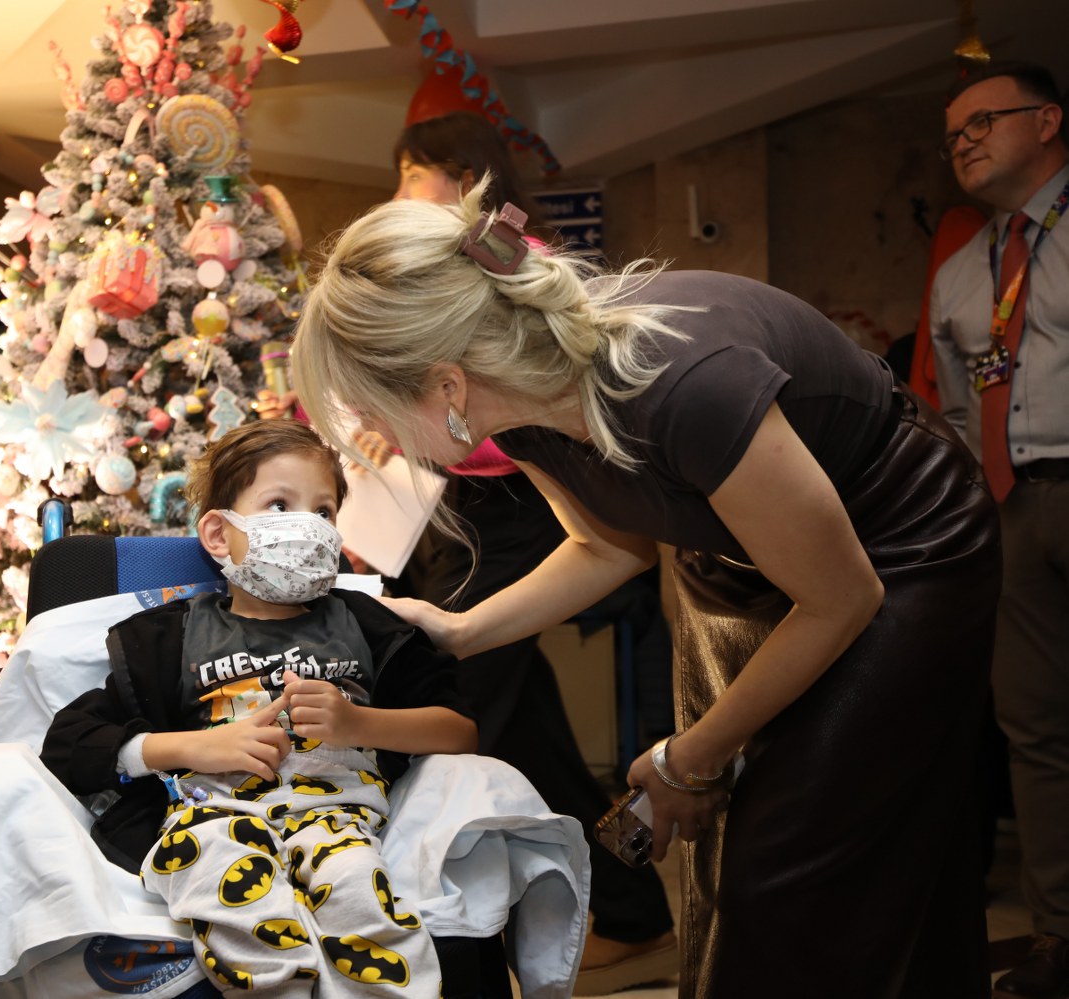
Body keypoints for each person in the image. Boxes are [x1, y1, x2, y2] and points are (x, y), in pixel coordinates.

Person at [289, 182, 1000, 997]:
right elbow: (604, 546)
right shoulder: (516, 412)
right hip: (741, 564)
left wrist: (688, 756)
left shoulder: (683, 382)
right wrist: (459, 630)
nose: (372, 434)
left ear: (444, 385)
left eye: (371, 406)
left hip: (897, 548)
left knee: (788, 865)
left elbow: (838, 598)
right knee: (750, 860)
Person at [39, 419, 477, 998]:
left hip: (338, 818)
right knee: (223, 881)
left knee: (356, 890)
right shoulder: (169, 637)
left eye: (323, 512)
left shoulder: (368, 625)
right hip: (211, 815)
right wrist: (192, 746)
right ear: (219, 535)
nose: (308, 526)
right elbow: (71, 740)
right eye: (279, 505)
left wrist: (359, 724)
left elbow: (459, 731)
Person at [393, 111, 678, 993]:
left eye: (419, 177)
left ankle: (453, 923)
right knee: (524, 731)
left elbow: (519, 413)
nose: (405, 196)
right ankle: (629, 911)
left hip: (519, 506)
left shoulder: (515, 260)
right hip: (467, 512)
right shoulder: (451, 265)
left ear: (470, 178)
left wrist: (424, 437)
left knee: (461, 705)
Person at [929, 61, 1069, 999]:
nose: (966, 140)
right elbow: (946, 410)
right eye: (953, 134)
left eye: (984, 119)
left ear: (1048, 120)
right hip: (1010, 510)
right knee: (1036, 734)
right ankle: (1062, 941)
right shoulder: (954, 274)